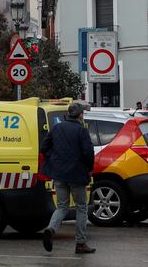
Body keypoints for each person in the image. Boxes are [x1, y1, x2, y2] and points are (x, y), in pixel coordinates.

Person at [41, 102, 96, 255]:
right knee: (81, 207)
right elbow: (88, 153)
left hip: (59, 174)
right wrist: (89, 168)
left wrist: (54, 160)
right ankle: (80, 243)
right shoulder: (81, 130)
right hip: (77, 175)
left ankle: (51, 229)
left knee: (62, 207)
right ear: (80, 115)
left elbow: (44, 148)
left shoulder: (57, 127)